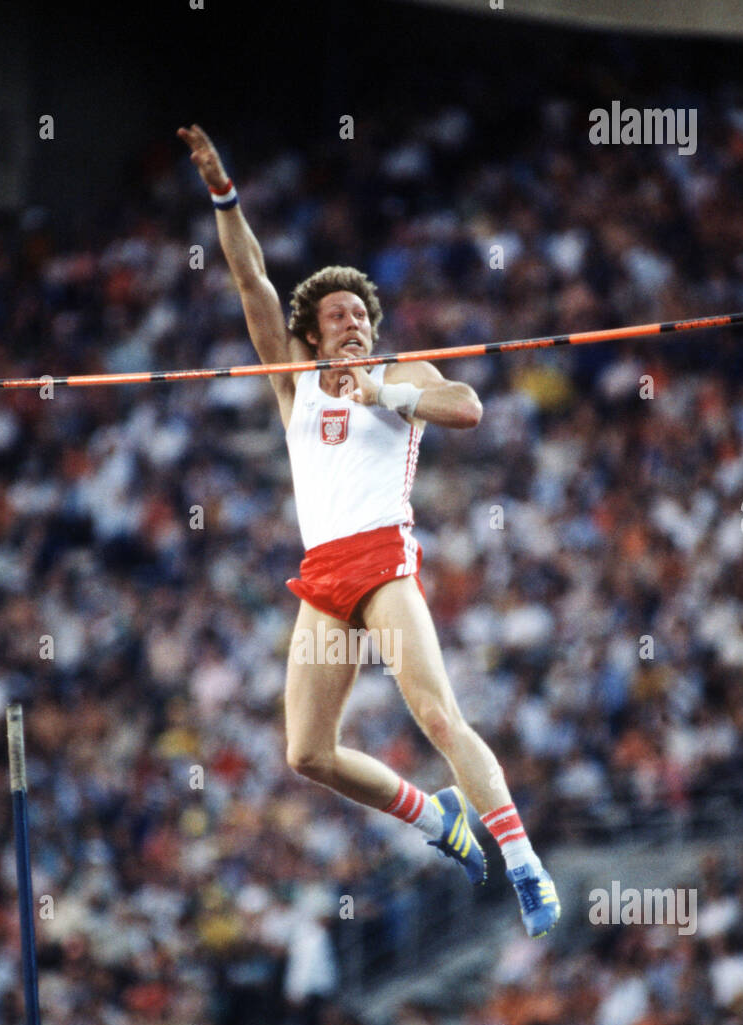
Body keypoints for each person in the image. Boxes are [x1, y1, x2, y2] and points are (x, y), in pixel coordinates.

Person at [177, 125, 561, 937]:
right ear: (311, 332)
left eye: (361, 312)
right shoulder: (293, 384)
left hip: (383, 568)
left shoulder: (401, 375)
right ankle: (437, 821)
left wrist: (380, 396)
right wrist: (222, 191)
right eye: (335, 314)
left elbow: (467, 408)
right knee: (307, 754)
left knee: (437, 715)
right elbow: (249, 277)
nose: (352, 321)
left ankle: (523, 863)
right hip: (323, 582)